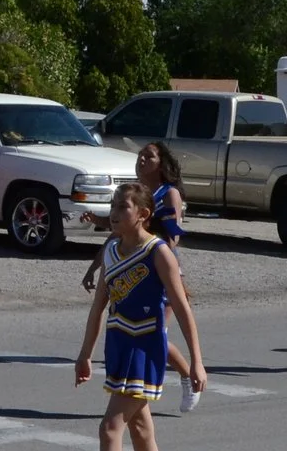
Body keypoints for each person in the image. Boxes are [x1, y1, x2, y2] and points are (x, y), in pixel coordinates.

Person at [58, 182, 207, 451]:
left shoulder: (158, 253)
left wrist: (196, 364)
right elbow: (98, 308)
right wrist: (85, 354)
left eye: (123, 206)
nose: (115, 212)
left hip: (146, 347)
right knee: (141, 431)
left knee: (111, 427)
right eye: (113, 205)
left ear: (142, 214)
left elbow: (183, 311)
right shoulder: (110, 249)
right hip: (119, 344)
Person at [83, 142, 200, 409]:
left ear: (162, 163)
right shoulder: (134, 194)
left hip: (156, 269)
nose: (143, 160)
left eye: (150, 156)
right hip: (131, 264)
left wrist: (164, 267)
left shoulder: (168, 193)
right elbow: (118, 232)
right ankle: (143, 393)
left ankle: (187, 375)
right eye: (140, 156)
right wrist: (94, 266)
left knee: (155, 330)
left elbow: (172, 237)